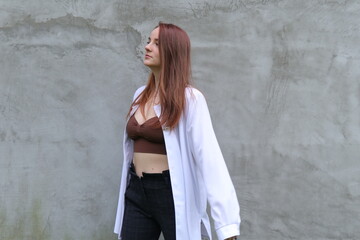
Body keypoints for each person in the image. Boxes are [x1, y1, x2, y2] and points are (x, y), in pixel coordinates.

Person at [114, 22, 240, 240]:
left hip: (170, 192)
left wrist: (226, 226)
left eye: (156, 43)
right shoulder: (139, 95)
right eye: (148, 41)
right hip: (136, 191)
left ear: (173, 51)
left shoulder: (190, 99)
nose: (147, 47)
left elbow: (209, 159)